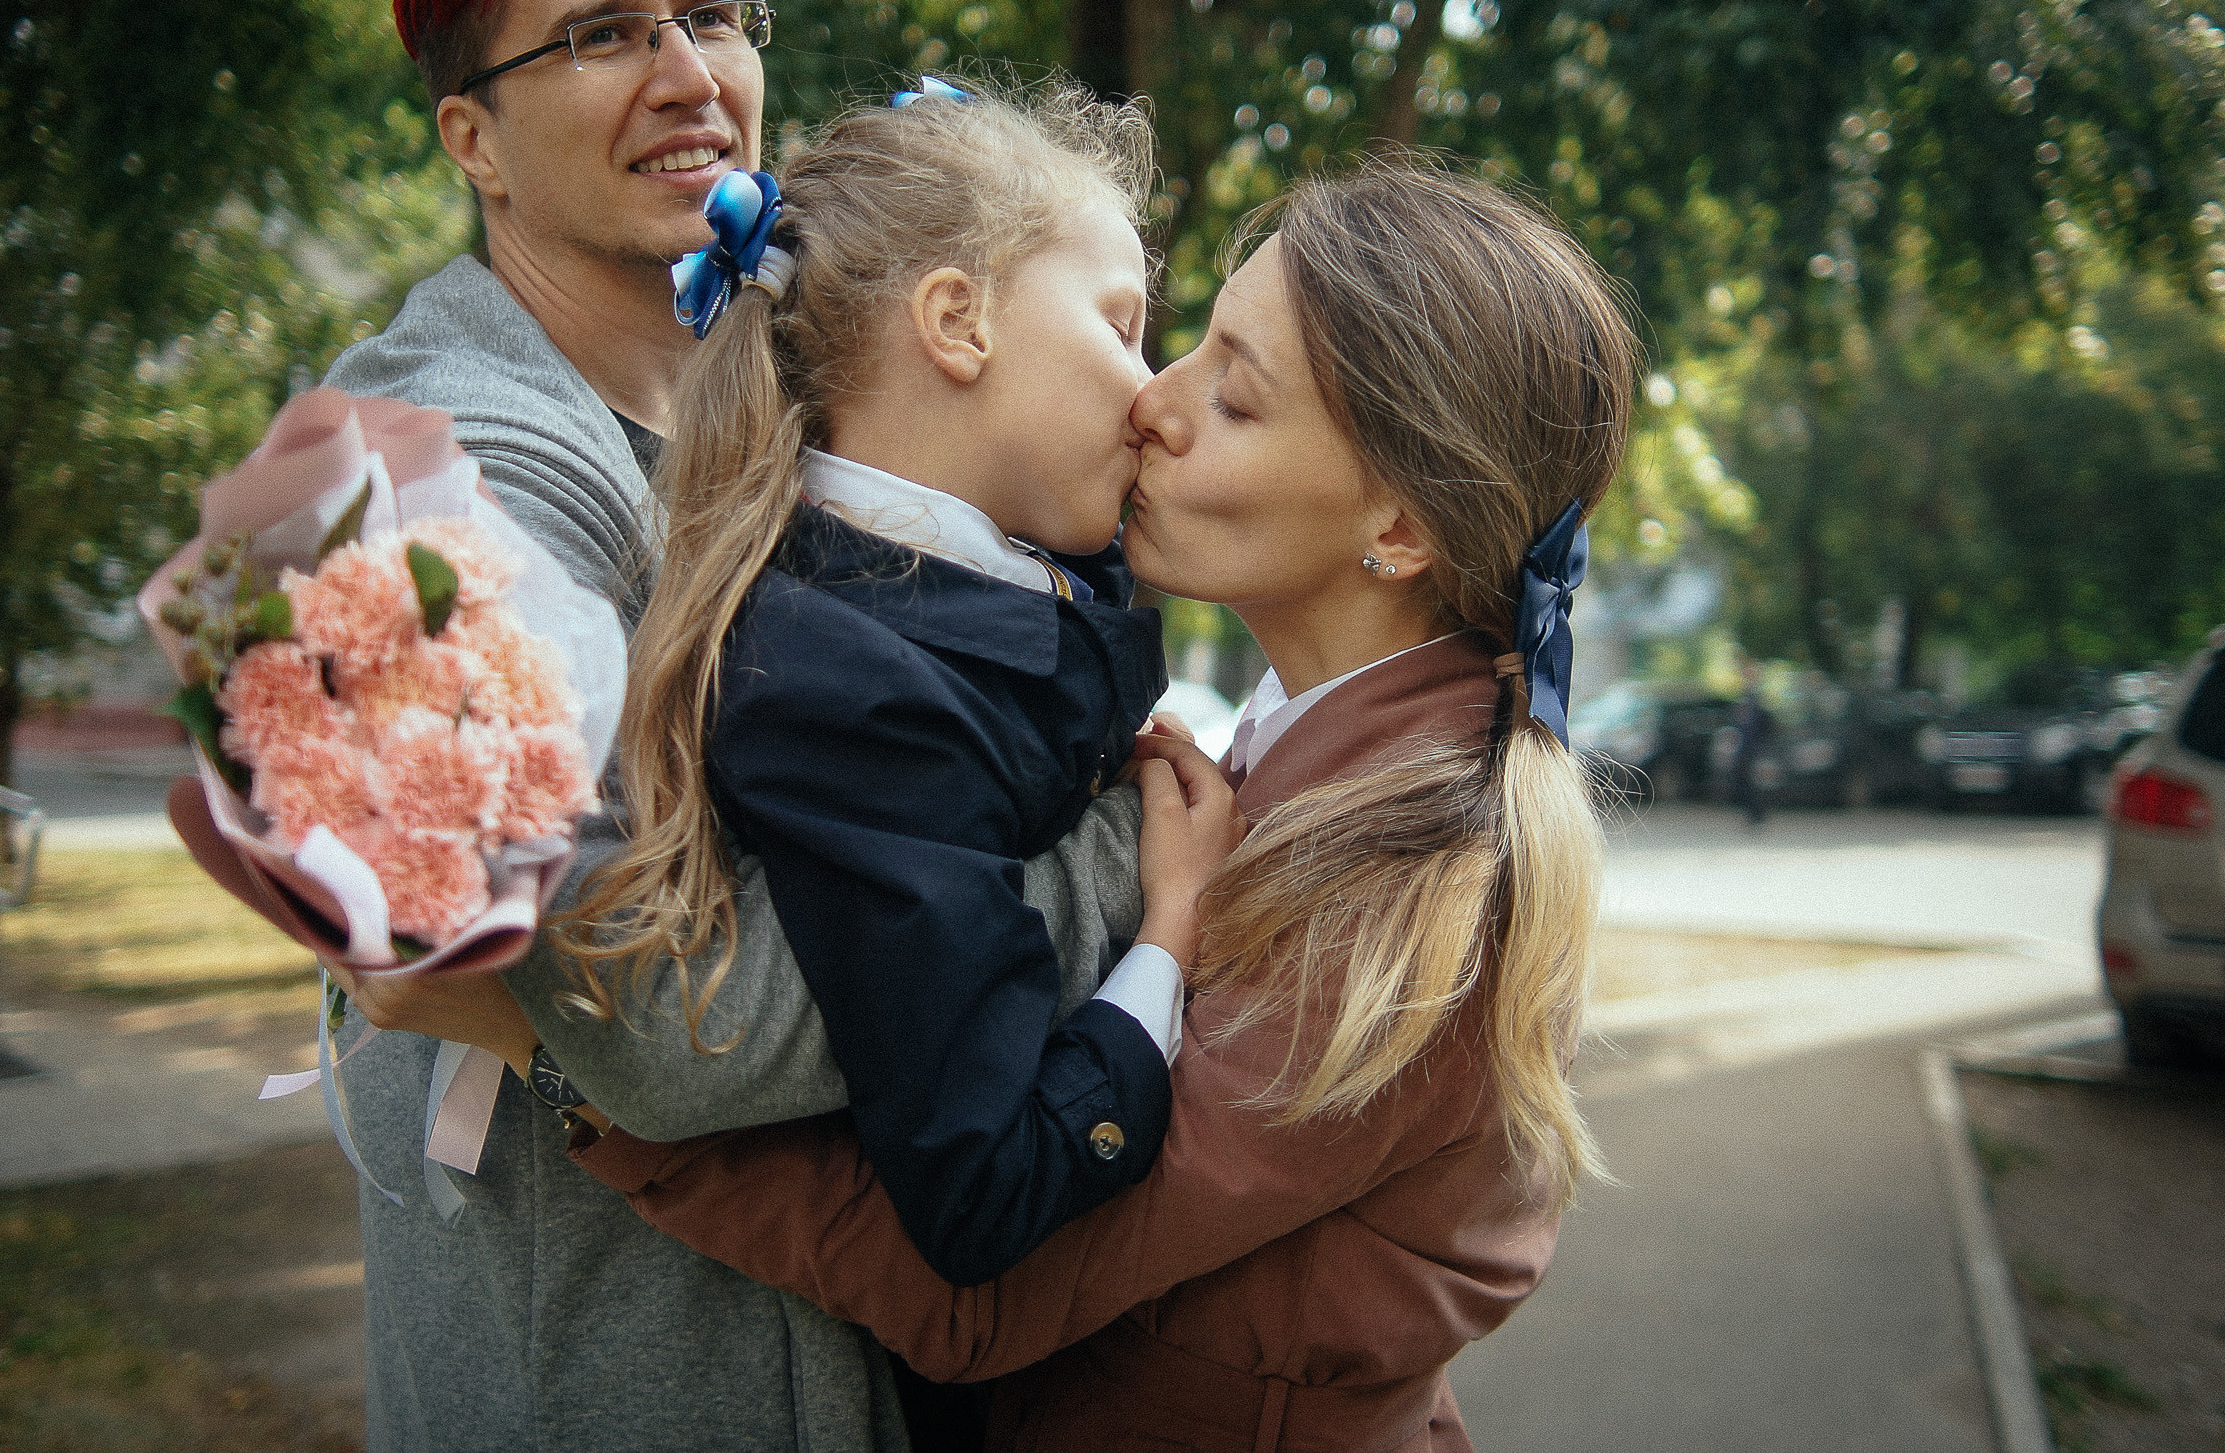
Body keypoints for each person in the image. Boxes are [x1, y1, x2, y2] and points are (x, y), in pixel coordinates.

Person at [237, 0, 1148, 1452]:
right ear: (475, 139)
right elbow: (662, 1016)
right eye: (601, 33)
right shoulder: (400, 477)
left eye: (711, 14)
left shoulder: (818, 404)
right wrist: (1147, 865)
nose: (686, 72)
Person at [566, 157, 1641, 1452]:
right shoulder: (1310, 752)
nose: (1153, 404)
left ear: (1398, 528)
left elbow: (986, 1293)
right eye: (1176, 346)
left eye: (1233, 396)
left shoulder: (1420, 894)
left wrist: (596, 1091)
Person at [1728, 661, 1776, 827]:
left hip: (1754, 749)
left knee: (1755, 784)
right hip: (1744, 749)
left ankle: (1757, 816)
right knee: (1744, 783)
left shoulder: (1757, 700)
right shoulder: (1743, 699)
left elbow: (1763, 726)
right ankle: (1752, 815)